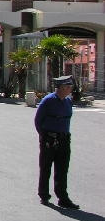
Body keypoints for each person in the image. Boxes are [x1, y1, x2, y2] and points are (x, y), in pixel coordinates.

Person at [34, 75, 79, 208]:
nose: (70, 89)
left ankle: (63, 197)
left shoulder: (67, 101)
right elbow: (38, 120)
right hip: (49, 138)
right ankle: (44, 194)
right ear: (62, 87)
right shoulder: (48, 100)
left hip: (64, 138)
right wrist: (44, 136)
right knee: (46, 167)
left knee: (62, 169)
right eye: (68, 87)